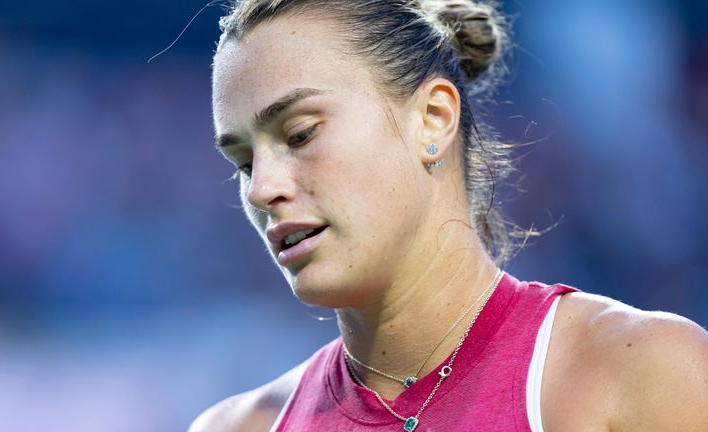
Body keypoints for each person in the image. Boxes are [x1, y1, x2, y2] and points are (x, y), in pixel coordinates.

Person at [191, 0, 708, 430]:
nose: (262, 189)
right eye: (243, 161)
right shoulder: (236, 426)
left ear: (432, 120)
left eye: (301, 134)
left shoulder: (645, 373)